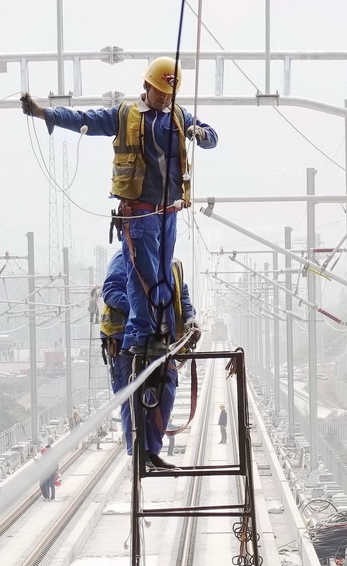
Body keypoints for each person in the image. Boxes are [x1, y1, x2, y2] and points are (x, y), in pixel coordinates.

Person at [21, 58, 216, 359]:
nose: (164, 98)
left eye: (169, 94)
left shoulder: (178, 116)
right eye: (159, 91)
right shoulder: (125, 115)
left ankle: (159, 331)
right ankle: (142, 334)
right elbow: (87, 118)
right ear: (146, 86)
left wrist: (200, 135)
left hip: (169, 212)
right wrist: (47, 113)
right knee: (142, 274)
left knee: (163, 271)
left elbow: (211, 137)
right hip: (138, 212)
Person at [100, 246, 197, 470]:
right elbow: (112, 291)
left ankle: (151, 452)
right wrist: (140, 311)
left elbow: (182, 294)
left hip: (162, 341)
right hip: (125, 339)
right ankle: (138, 454)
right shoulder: (126, 256)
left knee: (166, 392)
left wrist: (190, 318)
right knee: (132, 397)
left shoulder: (171, 261)